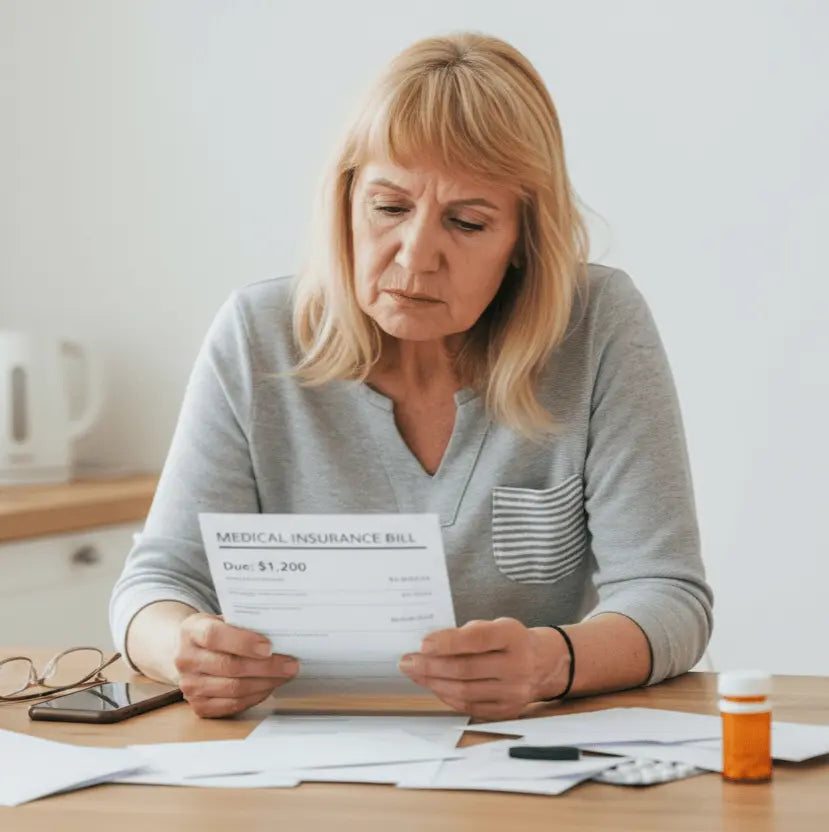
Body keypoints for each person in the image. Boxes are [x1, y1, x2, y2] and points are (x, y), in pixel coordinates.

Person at [110, 32, 713, 719]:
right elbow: (157, 584)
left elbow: (669, 596)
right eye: (390, 207)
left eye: (465, 221)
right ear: (345, 203)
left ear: (522, 241)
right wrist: (182, 648)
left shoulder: (595, 325)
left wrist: (553, 663)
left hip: (522, 763)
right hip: (304, 763)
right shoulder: (257, 332)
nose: (417, 255)